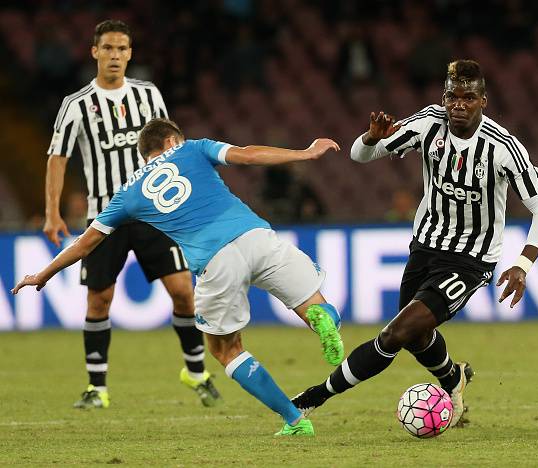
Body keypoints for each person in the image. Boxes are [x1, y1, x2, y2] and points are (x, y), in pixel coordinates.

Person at [14, 118, 345, 437]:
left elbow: (85, 244)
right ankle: (321, 319)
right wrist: (305, 152)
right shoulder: (195, 148)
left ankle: (294, 419)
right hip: (256, 235)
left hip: (216, 260)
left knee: (225, 349)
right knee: (314, 304)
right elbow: (248, 154)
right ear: (172, 140)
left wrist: (44, 274)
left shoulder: (127, 194)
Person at [291, 59, 538, 428]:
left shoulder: (503, 149)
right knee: (416, 337)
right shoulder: (428, 123)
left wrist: (523, 264)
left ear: (483, 101)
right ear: (444, 98)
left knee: (395, 333)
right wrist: (371, 137)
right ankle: (453, 379)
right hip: (425, 247)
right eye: (452, 96)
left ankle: (313, 398)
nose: (458, 104)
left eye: (468, 97)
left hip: (471, 259)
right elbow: (359, 155)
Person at [42, 20, 220, 409]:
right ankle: (97, 389)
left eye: (122, 49)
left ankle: (195, 372)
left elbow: (173, 145)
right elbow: (57, 158)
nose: (115, 56)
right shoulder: (76, 105)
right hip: (105, 215)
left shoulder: (149, 95)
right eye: (107, 48)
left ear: (130, 54)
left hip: (155, 211)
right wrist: (52, 212)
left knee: (183, 293)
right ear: (94, 52)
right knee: (99, 300)